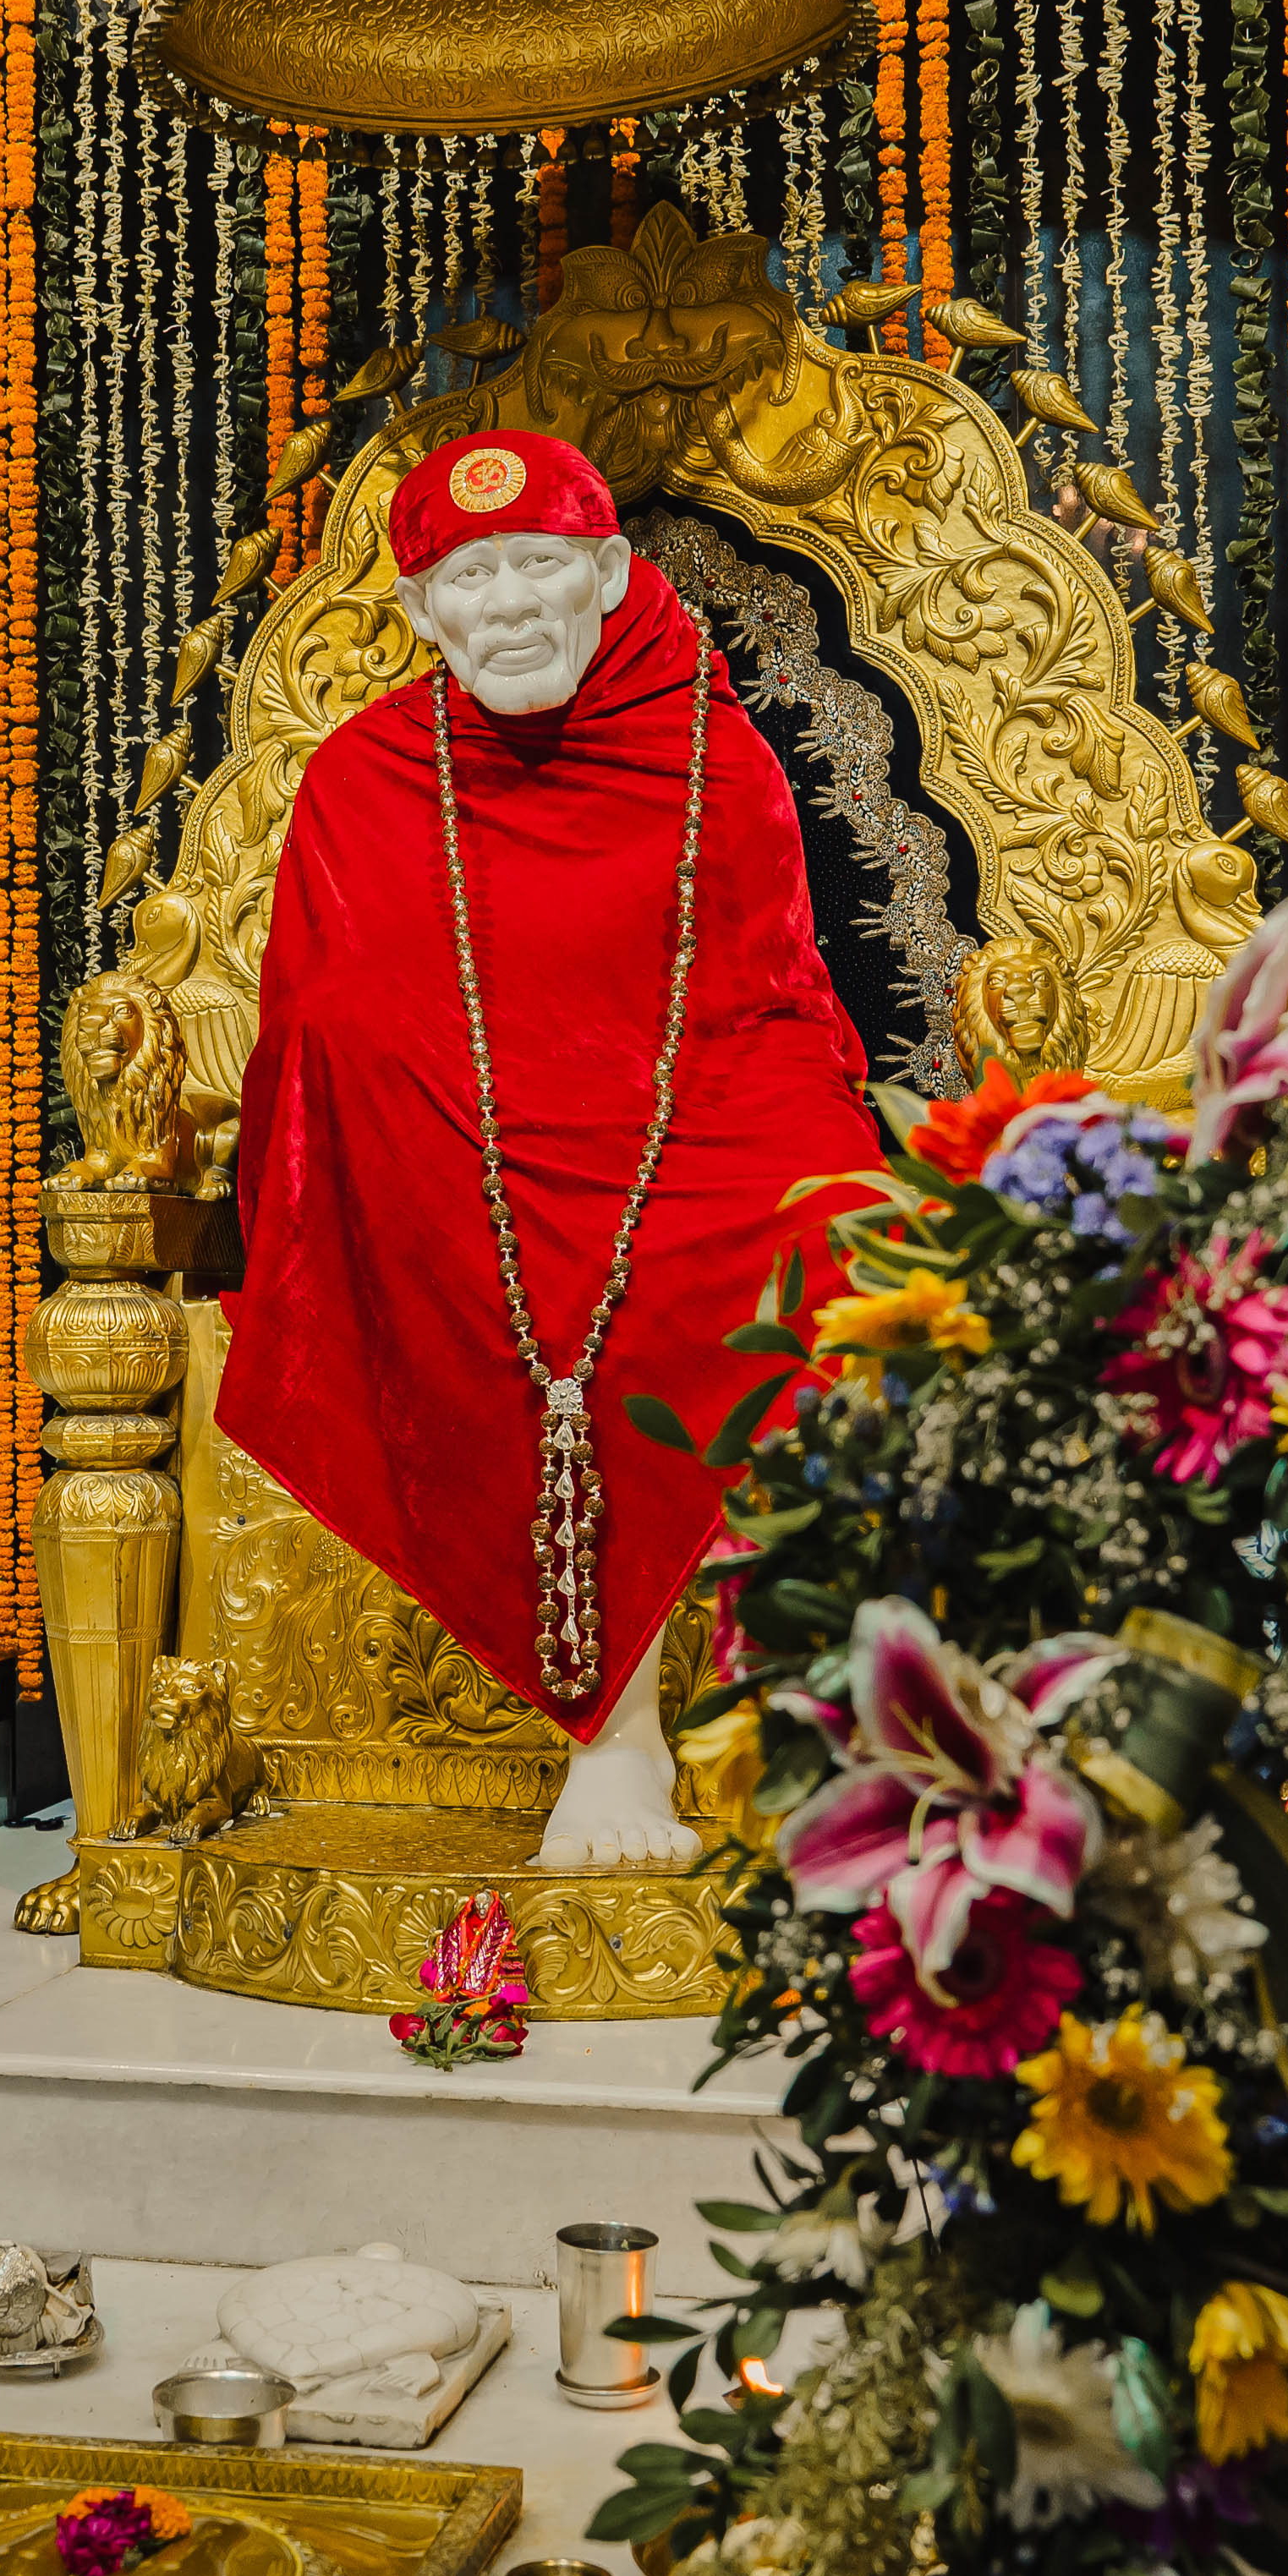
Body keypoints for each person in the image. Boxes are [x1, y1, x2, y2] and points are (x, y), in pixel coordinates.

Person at [217, 427, 879, 1868]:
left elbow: (768, 1007)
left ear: (608, 572)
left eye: (535, 565)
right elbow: (318, 1015)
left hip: (691, 1136)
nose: (507, 604)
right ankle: (615, 1737)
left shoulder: (712, 751)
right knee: (447, 1246)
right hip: (462, 1163)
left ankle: (811, 1733)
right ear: (414, 613)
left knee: (831, 1235)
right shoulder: (365, 774)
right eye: (468, 576)